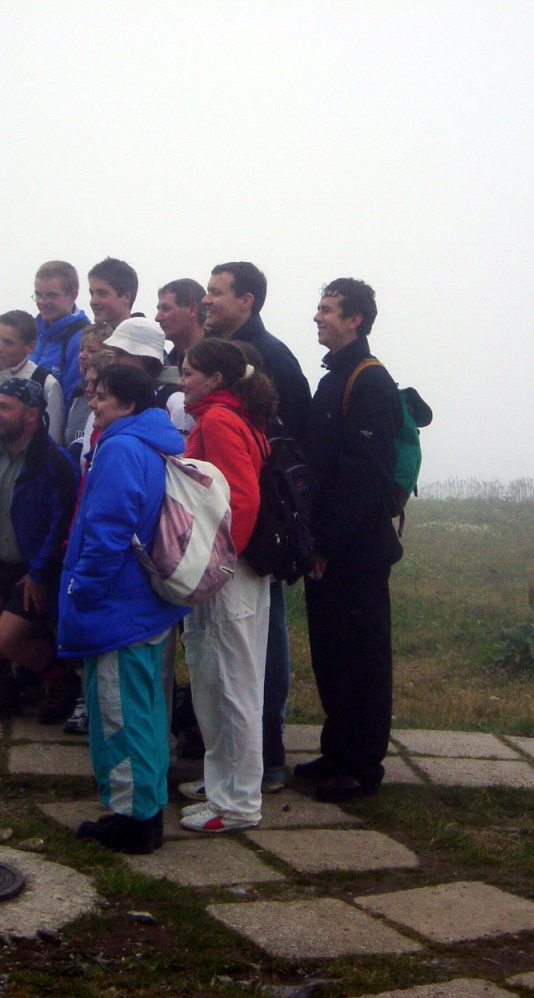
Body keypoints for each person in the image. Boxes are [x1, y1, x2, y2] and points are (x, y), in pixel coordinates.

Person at [58, 365, 189, 854]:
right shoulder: (156, 444)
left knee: (118, 713)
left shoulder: (120, 449)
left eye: (103, 396)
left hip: (117, 606)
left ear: (129, 405)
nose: (93, 403)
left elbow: (109, 531)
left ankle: (132, 820)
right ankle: (147, 809)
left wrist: (83, 592)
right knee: (147, 710)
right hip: (147, 603)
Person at [203, 261, 312, 793]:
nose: (207, 300)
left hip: (257, 530)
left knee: (260, 640)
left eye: (217, 292)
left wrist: (248, 540)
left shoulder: (270, 356)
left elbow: (291, 446)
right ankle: (236, 754)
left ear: (247, 300)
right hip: (240, 528)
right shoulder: (225, 351)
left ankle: (266, 751)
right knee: (235, 645)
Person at [296, 278, 403, 802]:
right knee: (332, 654)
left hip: (355, 550)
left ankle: (362, 766)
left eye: (327, 310)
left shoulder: (370, 382)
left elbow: (361, 475)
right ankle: (337, 751)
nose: (318, 317)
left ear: (354, 320)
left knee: (361, 657)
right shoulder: (335, 377)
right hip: (331, 545)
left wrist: (326, 544)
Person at [178, 338, 275, 833]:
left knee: (230, 683)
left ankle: (237, 804)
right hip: (237, 570)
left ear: (215, 380)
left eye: (189, 373)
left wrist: (216, 566)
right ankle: (223, 786)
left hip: (226, 573)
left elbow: (243, 498)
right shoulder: (234, 416)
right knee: (223, 680)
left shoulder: (218, 420)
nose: (181, 381)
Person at [0, 378, 78, 724]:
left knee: (7, 638)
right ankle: (3, 694)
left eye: (5, 407)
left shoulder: (54, 462)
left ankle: (62, 682)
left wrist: (39, 574)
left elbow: (63, 524)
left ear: (32, 415)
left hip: (37, 570)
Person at [0, 310, 64, 468]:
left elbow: (53, 443)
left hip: (20, 474)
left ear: (30, 347)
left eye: (8, 342)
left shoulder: (45, 384)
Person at [102, 318, 192, 440]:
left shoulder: (174, 400)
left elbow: (182, 450)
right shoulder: (124, 395)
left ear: (147, 358)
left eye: (121, 354)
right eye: (113, 354)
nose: (113, 362)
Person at [31, 260, 90, 407]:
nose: (43, 302)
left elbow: (73, 399)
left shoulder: (82, 340)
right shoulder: (32, 331)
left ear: (73, 296)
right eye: (38, 295)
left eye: (51, 295)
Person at [62, 323, 113, 467]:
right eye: (81, 349)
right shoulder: (77, 392)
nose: (83, 355)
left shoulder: (113, 403)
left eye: (91, 350)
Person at [155, 278, 205, 369]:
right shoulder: (163, 367)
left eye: (166, 309)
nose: (157, 318)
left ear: (192, 310)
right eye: (159, 310)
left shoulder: (222, 359)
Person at [88, 257, 139, 329]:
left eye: (102, 294)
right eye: (92, 294)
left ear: (126, 297)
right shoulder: (85, 335)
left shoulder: (145, 335)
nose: (93, 301)